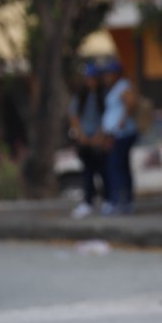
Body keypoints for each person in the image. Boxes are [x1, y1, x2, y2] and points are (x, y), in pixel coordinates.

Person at [68, 62, 107, 219]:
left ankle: (107, 199)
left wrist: (99, 136)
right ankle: (87, 202)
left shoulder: (102, 95)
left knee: (104, 172)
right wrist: (81, 135)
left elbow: (106, 117)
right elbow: (73, 116)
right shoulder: (81, 96)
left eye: (93, 78)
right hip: (84, 140)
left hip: (99, 139)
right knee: (87, 172)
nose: (91, 81)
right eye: (88, 78)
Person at [98, 60, 138, 215]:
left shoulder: (123, 85)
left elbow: (131, 102)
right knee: (120, 167)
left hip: (121, 134)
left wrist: (122, 120)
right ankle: (124, 200)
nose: (107, 77)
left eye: (109, 73)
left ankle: (118, 201)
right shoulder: (115, 88)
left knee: (115, 167)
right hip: (115, 133)